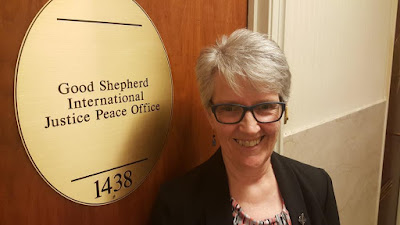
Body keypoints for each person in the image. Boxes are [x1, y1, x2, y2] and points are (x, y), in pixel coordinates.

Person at [151, 29, 340, 225]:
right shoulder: (175, 207)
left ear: (283, 111)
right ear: (210, 116)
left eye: (265, 107)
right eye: (230, 108)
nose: (250, 128)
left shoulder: (318, 186)